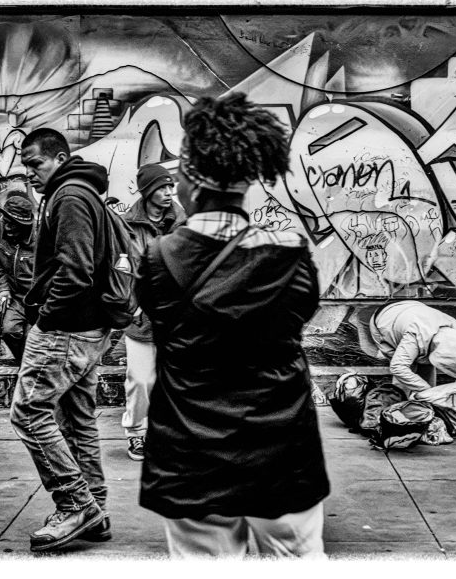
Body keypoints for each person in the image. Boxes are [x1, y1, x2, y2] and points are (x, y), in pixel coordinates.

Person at [136, 93, 330, 558]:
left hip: (191, 450)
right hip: (280, 446)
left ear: (191, 179)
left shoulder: (158, 258)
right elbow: (300, 316)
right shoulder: (291, 253)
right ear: (246, 183)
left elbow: (156, 322)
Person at [10, 128, 114, 552]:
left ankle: (75, 504)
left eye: (35, 163)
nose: (29, 172)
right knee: (77, 419)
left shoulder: (68, 196)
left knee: (28, 412)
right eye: (25, 165)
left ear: (59, 158)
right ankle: (96, 511)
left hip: (65, 329)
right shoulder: (83, 192)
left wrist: (46, 320)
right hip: (88, 327)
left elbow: (76, 270)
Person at [120, 163, 186, 461]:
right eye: (162, 187)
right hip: (141, 318)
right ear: (147, 191)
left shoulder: (183, 223)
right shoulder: (126, 226)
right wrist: (131, 306)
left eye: (171, 186)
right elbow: (120, 269)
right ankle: (137, 432)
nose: (169, 192)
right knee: (141, 380)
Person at [369, 300, 456, 397]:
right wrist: (427, 391)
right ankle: (399, 403)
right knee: (406, 372)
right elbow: (398, 368)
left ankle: (425, 402)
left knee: (426, 365)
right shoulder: (413, 337)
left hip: (411, 309)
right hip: (385, 321)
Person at [0, 193, 35, 362]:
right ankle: (25, 367)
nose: (8, 228)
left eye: (14, 224)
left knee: (32, 341)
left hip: (38, 300)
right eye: (6, 221)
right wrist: (3, 288)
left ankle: (29, 370)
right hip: (17, 298)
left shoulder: (40, 237)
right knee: (9, 330)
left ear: (25, 225)